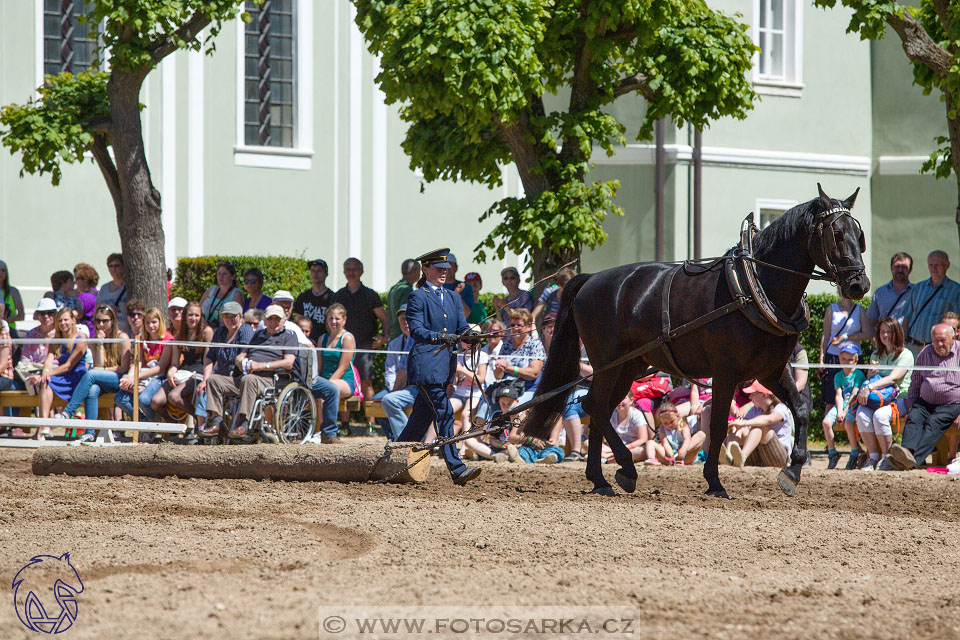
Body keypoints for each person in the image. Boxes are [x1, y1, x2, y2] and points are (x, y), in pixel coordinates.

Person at [397, 248, 482, 485]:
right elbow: (416, 330)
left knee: (419, 421)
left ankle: (394, 457)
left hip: (444, 368)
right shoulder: (418, 297)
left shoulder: (454, 297)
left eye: (446, 269)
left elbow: (462, 328)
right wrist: (441, 337)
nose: (445, 272)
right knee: (444, 412)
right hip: (425, 367)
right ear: (425, 270)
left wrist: (473, 336)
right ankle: (456, 468)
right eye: (439, 269)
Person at [205, 304, 298, 439]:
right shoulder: (258, 335)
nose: (273, 322)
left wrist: (261, 366)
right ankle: (217, 423)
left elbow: (289, 362)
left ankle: (244, 423)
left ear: (283, 320)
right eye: (270, 319)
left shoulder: (289, 336)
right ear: (264, 321)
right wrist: (241, 363)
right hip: (246, 377)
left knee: (249, 380)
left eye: (276, 319)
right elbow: (241, 355)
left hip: (270, 380)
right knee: (214, 380)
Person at [886, 324, 960, 470]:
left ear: (953, 338)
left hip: (952, 404)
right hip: (925, 401)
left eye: (943, 340)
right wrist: (911, 405)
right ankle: (906, 452)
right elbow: (915, 383)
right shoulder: (926, 353)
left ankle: (910, 462)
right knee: (914, 416)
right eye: (935, 341)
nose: (939, 344)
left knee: (934, 423)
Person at [55, 304, 132, 441]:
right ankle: (90, 432)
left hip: (119, 379)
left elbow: (123, 368)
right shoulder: (95, 339)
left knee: (91, 374)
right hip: (101, 379)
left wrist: (101, 371)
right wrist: (100, 345)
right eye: (97, 321)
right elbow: (98, 365)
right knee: (92, 390)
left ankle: (68, 411)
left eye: (105, 321)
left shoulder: (122, 338)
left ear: (112, 321)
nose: (101, 324)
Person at [855, 318, 913, 470]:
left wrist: (870, 387)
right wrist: (869, 376)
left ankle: (886, 458)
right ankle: (873, 458)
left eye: (889, 332)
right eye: (882, 332)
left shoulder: (905, 354)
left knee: (880, 416)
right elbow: (871, 378)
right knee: (861, 414)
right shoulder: (875, 354)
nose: (885, 335)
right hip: (877, 398)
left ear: (897, 333)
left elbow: (894, 377)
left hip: (899, 399)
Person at [333, 258, 390, 402]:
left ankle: (370, 423)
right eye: (348, 269)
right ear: (344, 272)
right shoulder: (338, 295)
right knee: (344, 381)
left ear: (361, 271)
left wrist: (385, 336)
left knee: (366, 383)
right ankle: (345, 423)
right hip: (343, 347)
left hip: (365, 347)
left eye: (354, 269)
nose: (351, 272)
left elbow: (385, 318)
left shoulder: (370, 295)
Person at [197, 301, 254, 437]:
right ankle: (217, 422)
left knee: (244, 380)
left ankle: (243, 425)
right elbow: (210, 357)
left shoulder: (245, 330)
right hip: (224, 378)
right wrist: (205, 379)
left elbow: (245, 352)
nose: (230, 320)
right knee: (211, 380)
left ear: (240, 317)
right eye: (226, 316)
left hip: (242, 378)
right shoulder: (220, 332)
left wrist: (240, 359)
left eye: (233, 316)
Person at [153, 301, 213, 424]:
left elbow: (208, 359)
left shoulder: (206, 332)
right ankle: (173, 425)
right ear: (185, 316)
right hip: (183, 371)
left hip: (199, 372)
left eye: (197, 315)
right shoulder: (180, 335)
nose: (193, 318)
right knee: (156, 402)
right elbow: (175, 362)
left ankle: (201, 419)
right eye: (190, 315)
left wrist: (206, 380)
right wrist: (170, 372)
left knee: (173, 396)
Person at [309, 303, 357, 444]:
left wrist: (325, 384)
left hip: (344, 380)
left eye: (337, 319)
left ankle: (326, 433)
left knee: (328, 390)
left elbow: (342, 368)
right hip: (324, 378)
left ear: (344, 319)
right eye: (331, 318)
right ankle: (311, 430)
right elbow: (318, 365)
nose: (334, 322)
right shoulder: (322, 338)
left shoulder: (347, 338)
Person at [115, 307, 173, 422]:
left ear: (160, 322)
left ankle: (153, 423)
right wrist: (128, 378)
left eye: (154, 322)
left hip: (160, 377)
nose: (151, 326)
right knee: (120, 399)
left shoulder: (168, 340)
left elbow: (160, 368)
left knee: (143, 399)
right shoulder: (142, 339)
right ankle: (144, 422)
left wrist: (135, 377)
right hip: (143, 375)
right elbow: (138, 362)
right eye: (147, 322)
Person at [37, 308, 88, 438]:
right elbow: (48, 359)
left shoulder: (81, 339)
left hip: (77, 378)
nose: (63, 323)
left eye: (66, 319)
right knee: (45, 382)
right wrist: (45, 371)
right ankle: (44, 425)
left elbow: (69, 366)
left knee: (47, 378)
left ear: (73, 320)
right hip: (62, 376)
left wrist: (49, 373)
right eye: (60, 320)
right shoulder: (56, 340)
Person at [723, 381, 795, 468]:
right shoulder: (755, 409)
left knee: (759, 427)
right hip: (759, 457)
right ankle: (729, 456)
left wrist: (744, 423)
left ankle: (743, 456)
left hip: (779, 457)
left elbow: (768, 420)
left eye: (752, 394)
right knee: (738, 429)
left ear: (764, 395)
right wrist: (734, 425)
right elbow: (741, 423)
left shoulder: (781, 407)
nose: (749, 397)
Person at [901, 251, 960, 355]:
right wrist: (902, 343)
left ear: (947, 265)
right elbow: (906, 318)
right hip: (912, 346)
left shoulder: (956, 291)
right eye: (931, 265)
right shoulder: (918, 288)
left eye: (938, 265)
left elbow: (957, 323)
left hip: (937, 349)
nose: (934, 268)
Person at [374, 304, 417, 442]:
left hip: (414, 388)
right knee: (376, 401)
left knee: (389, 401)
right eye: (402, 320)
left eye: (408, 318)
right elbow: (390, 370)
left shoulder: (420, 340)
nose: (405, 322)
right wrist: (393, 389)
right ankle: (393, 438)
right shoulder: (394, 344)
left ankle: (405, 439)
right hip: (396, 387)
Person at [822, 344, 866, 469]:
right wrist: (840, 411)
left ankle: (854, 452)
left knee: (848, 423)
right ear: (840, 359)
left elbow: (854, 394)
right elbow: (838, 395)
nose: (847, 362)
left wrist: (845, 412)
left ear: (856, 361)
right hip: (841, 406)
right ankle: (832, 452)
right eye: (844, 359)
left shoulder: (859, 375)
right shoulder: (838, 376)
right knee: (826, 422)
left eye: (850, 359)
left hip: (853, 406)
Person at [490, 308, 545, 406]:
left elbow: (534, 373)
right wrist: (499, 369)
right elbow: (498, 376)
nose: (515, 328)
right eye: (512, 325)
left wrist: (509, 368)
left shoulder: (535, 344)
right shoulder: (506, 345)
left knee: (514, 405)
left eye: (519, 325)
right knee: (486, 403)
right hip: (507, 386)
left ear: (528, 327)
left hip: (528, 388)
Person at [272, 290, 318, 381]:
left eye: (288, 307)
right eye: (282, 306)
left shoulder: (293, 327)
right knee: (332, 390)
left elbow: (310, 347)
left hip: (292, 373)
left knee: (332, 389)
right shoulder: (262, 324)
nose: (285, 310)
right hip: (280, 375)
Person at [864, 252, 913, 337]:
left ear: (910, 269)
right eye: (897, 266)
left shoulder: (917, 292)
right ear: (891, 268)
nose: (900, 270)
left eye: (904, 267)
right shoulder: (880, 293)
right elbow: (870, 321)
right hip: (885, 343)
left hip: (909, 344)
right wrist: (874, 340)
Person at [16, 299, 57, 394]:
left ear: (55, 315)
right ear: (38, 315)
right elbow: (25, 359)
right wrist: (35, 374)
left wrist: (43, 374)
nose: (46, 316)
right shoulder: (31, 334)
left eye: (50, 313)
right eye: (42, 313)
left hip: (53, 374)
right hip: (32, 373)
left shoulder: (60, 335)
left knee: (44, 383)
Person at [597, 393, 652, 464]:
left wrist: (625, 448)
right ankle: (612, 457)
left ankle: (608, 460)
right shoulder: (611, 414)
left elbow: (643, 439)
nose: (620, 401)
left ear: (631, 400)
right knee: (587, 443)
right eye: (617, 398)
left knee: (642, 450)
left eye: (623, 398)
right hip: (612, 448)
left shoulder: (637, 415)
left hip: (631, 448)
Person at [293, 258, 334, 344]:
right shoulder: (303, 297)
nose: (315, 274)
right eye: (313, 271)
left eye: (319, 271)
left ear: (326, 274)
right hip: (304, 342)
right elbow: (296, 319)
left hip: (324, 342)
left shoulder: (332, 297)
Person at [656, 401, 706, 465]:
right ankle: (666, 460)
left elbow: (687, 439)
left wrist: (683, 450)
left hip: (686, 454)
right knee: (651, 443)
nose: (669, 425)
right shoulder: (662, 428)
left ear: (678, 416)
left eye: (672, 421)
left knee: (701, 434)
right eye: (665, 423)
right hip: (671, 454)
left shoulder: (683, 425)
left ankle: (680, 457)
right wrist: (670, 455)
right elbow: (665, 443)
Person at [199, 260, 244, 330]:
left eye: (224, 274)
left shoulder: (236, 294)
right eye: (219, 274)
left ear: (233, 276)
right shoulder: (211, 290)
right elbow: (198, 309)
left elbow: (238, 317)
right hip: (205, 330)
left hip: (224, 332)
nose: (221, 277)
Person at [387, 259, 420, 340]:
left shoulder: (394, 288)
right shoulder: (406, 290)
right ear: (415, 271)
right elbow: (407, 315)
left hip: (393, 336)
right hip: (402, 336)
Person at [96, 253, 128, 334]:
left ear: (123, 266)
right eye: (111, 266)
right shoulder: (104, 288)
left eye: (117, 266)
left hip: (125, 331)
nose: (113, 269)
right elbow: (97, 311)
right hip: (108, 333)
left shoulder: (128, 287)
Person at [444, 253, 474, 320]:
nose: (448, 268)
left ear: (456, 268)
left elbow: (465, 314)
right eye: (445, 266)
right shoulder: (434, 287)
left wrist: (457, 295)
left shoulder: (465, 287)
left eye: (450, 265)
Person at [73, 263, 100, 337]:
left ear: (85, 280)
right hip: (97, 332)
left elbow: (78, 315)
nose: (76, 283)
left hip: (87, 333)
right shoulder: (99, 293)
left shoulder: (82, 297)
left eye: (77, 279)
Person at [0, 260, 25, 338]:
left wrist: (6, 320)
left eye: (3, 270)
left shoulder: (13, 291)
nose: (0, 273)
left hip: (9, 330)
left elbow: (21, 315)